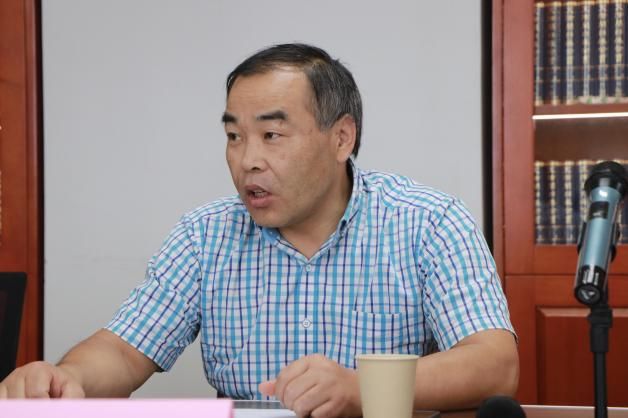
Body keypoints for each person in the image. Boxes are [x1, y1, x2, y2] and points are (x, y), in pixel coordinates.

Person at [0, 43, 518, 417]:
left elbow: (494, 364)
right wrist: (66, 379)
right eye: (234, 136)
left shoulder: (427, 221)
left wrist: (362, 388)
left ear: (341, 138)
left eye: (271, 134)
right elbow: (122, 351)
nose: (248, 159)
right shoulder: (205, 235)